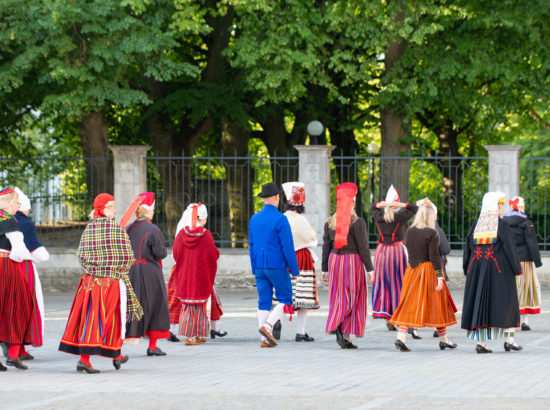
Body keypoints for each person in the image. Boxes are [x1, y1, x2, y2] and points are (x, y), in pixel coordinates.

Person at [58, 193, 143, 373]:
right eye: (111, 206)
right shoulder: (115, 229)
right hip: (110, 281)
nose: (114, 209)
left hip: (89, 281)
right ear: (102, 209)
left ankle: (115, 353)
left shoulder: (89, 229)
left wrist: (94, 269)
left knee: (100, 316)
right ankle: (84, 360)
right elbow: (127, 257)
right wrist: (117, 268)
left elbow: (81, 255)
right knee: (102, 317)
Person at [389, 198, 458, 352]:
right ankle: (443, 339)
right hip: (428, 272)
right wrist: (440, 276)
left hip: (412, 271)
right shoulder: (432, 233)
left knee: (409, 304)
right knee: (438, 305)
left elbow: (409, 252)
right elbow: (434, 257)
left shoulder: (410, 231)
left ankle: (401, 337)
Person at [462, 192, 523, 353]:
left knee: (481, 304)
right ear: (493, 206)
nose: (502, 208)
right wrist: (517, 268)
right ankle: (509, 339)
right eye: (499, 204)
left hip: (477, 271)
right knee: (508, 303)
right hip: (499, 271)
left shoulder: (476, 224)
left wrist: (466, 268)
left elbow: (467, 248)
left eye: (502, 205)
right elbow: (510, 249)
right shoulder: (501, 225)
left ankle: (481, 343)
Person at [322, 182, 373, 349]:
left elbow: (326, 247)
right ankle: (341, 326)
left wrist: (325, 269)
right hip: (352, 262)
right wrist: (370, 269)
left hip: (334, 261)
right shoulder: (357, 222)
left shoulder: (329, 222)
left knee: (338, 296)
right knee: (355, 297)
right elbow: (363, 247)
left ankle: (342, 331)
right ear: (352, 202)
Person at [249, 182, 299, 348]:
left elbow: (251, 244)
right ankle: (268, 326)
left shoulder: (254, 218)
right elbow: (287, 247)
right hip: (276, 265)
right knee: (285, 299)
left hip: (260, 265)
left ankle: (264, 339)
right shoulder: (281, 219)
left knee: (263, 301)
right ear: (277, 198)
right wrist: (294, 269)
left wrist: (254, 266)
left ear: (263, 199)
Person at [124, 192, 170, 356]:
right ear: (149, 210)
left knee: (132, 304)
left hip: (131, 270)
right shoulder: (153, 229)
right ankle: (152, 345)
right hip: (150, 272)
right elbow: (160, 253)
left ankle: (127, 338)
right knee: (156, 305)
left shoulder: (129, 227)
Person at [371, 185, 419, 336]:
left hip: (381, 252)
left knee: (385, 284)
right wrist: (401, 204)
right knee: (400, 284)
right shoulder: (400, 217)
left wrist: (380, 204)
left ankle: (388, 317)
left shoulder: (378, 216)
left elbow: (373, 208)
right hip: (396, 252)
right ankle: (401, 317)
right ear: (396, 204)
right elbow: (415, 209)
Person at [172, 203, 220, 345]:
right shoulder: (206, 235)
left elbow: (175, 252)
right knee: (199, 306)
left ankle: (197, 334)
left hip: (185, 274)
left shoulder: (181, 234)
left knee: (188, 305)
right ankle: (190, 336)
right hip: (200, 274)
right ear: (203, 219)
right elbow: (213, 254)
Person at [11, 187, 49, 358]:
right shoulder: (25, 223)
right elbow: (36, 251)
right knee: (28, 307)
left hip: (5, 266)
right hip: (24, 268)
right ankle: (19, 349)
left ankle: (14, 347)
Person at [280, 181, 320, 342]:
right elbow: (312, 240)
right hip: (301, 259)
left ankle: (277, 322)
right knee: (302, 295)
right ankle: (300, 331)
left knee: (283, 295)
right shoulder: (301, 220)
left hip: (284, 259)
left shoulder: (282, 218)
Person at [0, 188, 35, 370]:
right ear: (8, 204)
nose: (17, 207)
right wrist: (30, 257)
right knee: (19, 305)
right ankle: (13, 354)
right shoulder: (9, 221)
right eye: (16, 203)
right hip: (6, 266)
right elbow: (18, 251)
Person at [503, 196, 543, 331]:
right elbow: (532, 243)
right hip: (524, 260)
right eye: (523, 205)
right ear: (520, 207)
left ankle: (510, 320)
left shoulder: (503, 222)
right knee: (526, 289)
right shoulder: (526, 222)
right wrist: (537, 261)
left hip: (509, 259)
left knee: (511, 288)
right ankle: (525, 321)